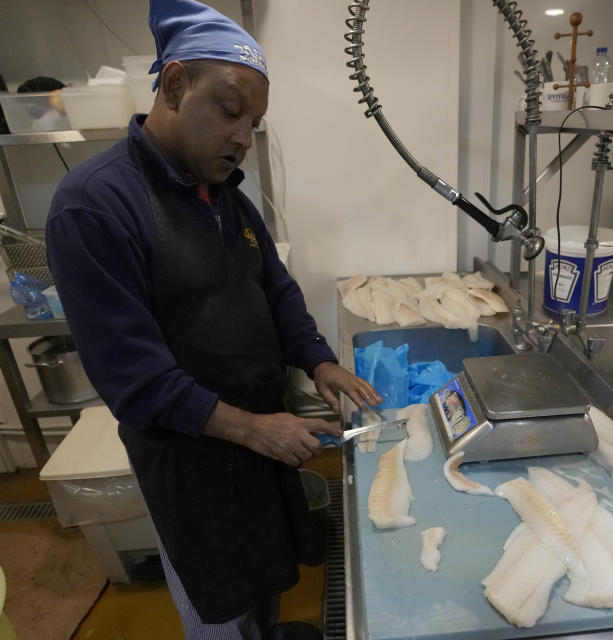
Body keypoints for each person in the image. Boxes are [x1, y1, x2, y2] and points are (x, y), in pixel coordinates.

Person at [46, 1, 381, 638]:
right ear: (174, 86)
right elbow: (133, 378)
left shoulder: (224, 195)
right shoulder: (94, 206)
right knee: (218, 606)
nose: (241, 138)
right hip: (189, 460)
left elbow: (275, 290)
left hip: (258, 436)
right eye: (230, 113)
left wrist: (319, 360)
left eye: (253, 124)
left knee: (267, 575)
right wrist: (254, 430)